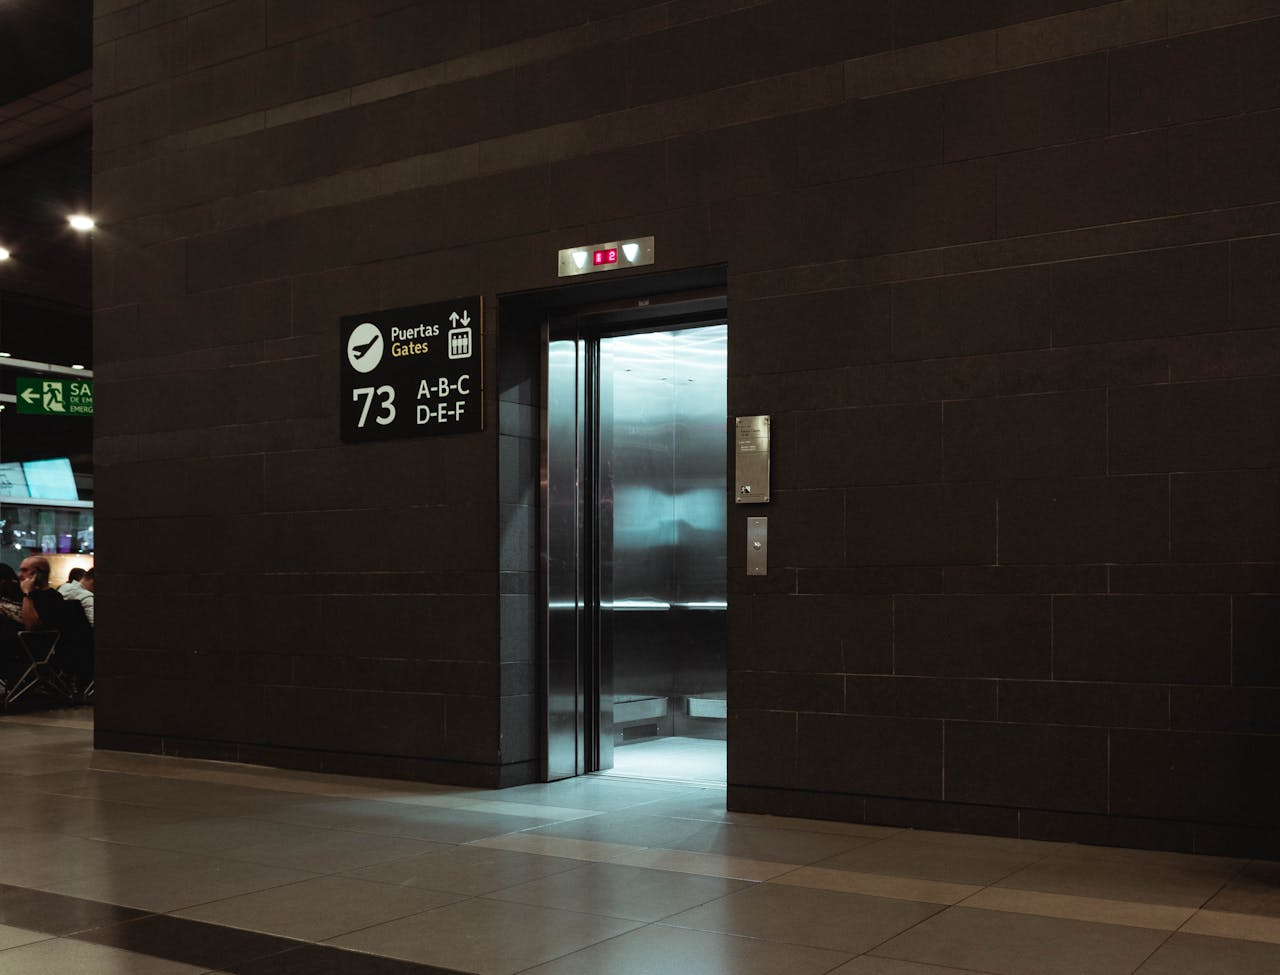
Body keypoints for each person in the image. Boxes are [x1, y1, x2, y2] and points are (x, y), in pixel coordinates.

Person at [17, 556, 64, 631]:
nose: (19, 575)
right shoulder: (19, 591)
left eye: (24, 570)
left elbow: (32, 627)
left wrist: (27, 594)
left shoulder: (52, 597)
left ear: (39, 574)